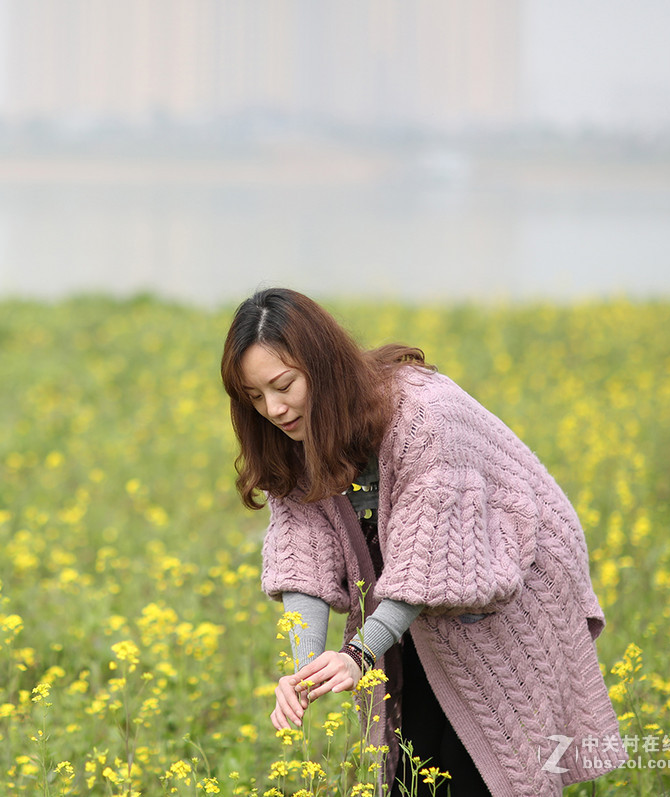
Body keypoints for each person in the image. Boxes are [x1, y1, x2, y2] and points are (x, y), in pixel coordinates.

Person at [219, 288, 625, 796]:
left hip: (506, 586)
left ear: (322, 366)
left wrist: (358, 654)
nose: (274, 409)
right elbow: (304, 556)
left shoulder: (426, 414)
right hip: (409, 594)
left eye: (283, 386)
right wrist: (306, 670)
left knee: (488, 764)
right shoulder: (288, 438)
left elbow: (429, 562)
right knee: (411, 767)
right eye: (255, 397)